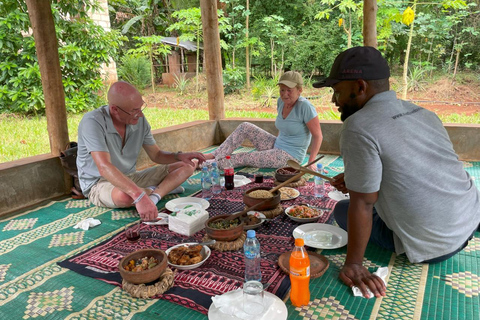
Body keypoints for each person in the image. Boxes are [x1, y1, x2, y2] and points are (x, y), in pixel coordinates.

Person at [313, 46, 480, 298]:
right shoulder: (423, 112)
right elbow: (414, 165)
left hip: (432, 245)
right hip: (468, 219)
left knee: (343, 209)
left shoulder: (357, 126)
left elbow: (364, 204)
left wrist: (354, 265)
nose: (334, 100)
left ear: (360, 87)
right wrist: (356, 177)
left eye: (337, 91)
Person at [77, 81, 206, 221]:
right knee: (125, 196)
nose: (139, 114)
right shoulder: (93, 122)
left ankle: (155, 196)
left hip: (130, 177)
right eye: (134, 110)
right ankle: (159, 189)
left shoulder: (139, 120)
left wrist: (180, 156)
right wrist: (138, 195)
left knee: (187, 166)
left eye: (140, 107)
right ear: (115, 109)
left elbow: (156, 155)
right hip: (100, 183)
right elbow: (104, 167)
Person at [203, 71, 322, 171]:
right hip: (276, 146)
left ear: (299, 90)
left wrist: (311, 162)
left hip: (290, 157)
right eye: (282, 90)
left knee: (245, 157)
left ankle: (205, 165)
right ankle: (215, 155)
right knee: (245, 126)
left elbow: (318, 136)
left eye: (289, 90)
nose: (285, 94)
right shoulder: (281, 102)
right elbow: (283, 128)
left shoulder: (305, 107)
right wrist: (272, 149)